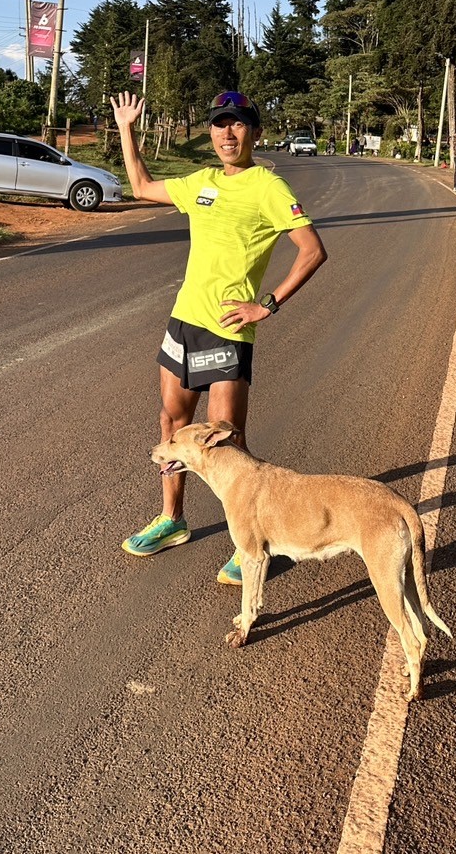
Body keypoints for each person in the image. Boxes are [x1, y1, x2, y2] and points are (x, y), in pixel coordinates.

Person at [110, 88, 327, 585]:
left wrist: (266, 304)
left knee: (224, 436)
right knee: (172, 423)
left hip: (227, 332)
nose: (227, 132)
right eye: (219, 123)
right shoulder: (201, 181)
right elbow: (141, 186)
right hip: (183, 322)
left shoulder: (268, 187)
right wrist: (126, 128)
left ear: (255, 131)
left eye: (238, 123)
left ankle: (249, 542)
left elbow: (312, 250)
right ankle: (172, 519)